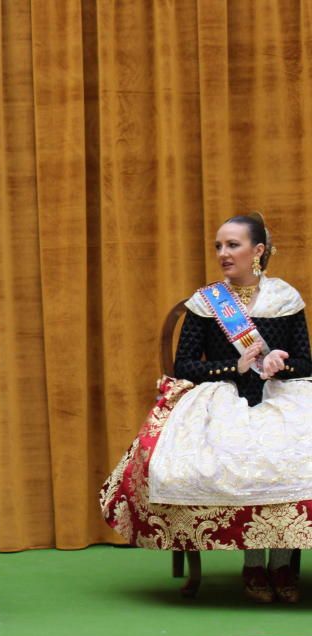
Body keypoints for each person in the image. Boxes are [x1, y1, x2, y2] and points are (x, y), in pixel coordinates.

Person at [101, 213, 312, 604]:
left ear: (258, 251)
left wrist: (281, 362)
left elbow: (306, 362)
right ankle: (252, 566)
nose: (223, 253)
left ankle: (282, 564)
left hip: (280, 397)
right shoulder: (207, 303)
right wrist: (235, 366)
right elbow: (185, 367)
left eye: (233, 245)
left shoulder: (286, 299)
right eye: (219, 246)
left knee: (295, 452)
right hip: (222, 399)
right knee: (241, 455)